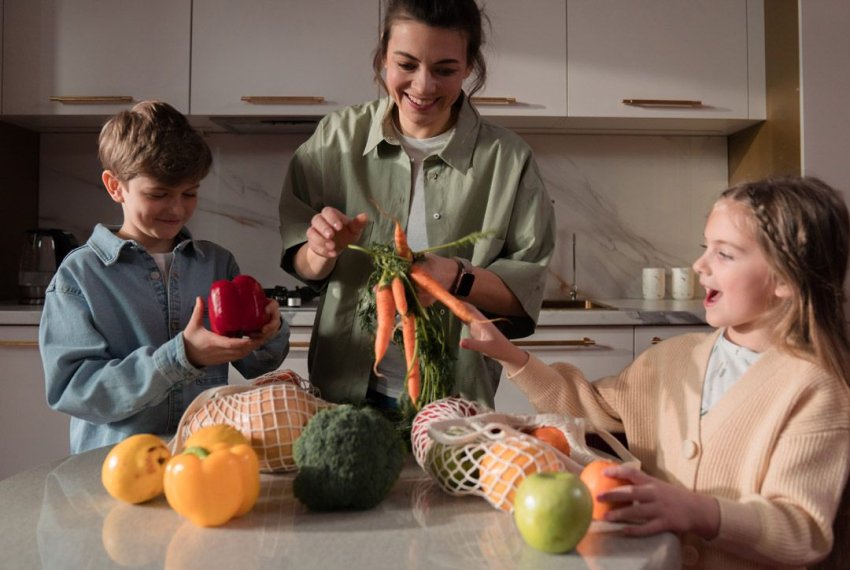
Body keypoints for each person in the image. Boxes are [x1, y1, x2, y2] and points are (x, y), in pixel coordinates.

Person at [461, 176, 850, 568]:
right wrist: (511, 355)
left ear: (784, 279)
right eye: (705, 248)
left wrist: (699, 511)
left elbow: (803, 530)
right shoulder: (673, 359)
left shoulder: (816, 389)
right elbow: (589, 406)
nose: (699, 265)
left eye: (725, 254)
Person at [278, 0, 555, 408]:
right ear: (382, 61)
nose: (423, 86)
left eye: (444, 70)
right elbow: (302, 263)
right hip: (342, 389)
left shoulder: (508, 160)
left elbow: (524, 293)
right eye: (406, 65)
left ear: (469, 68)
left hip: (456, 396)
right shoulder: (335, 138)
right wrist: (319, 250)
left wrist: (456, 277)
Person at [40, 100, 289, 454]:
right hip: (117, 466)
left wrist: (268, 333)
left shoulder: (217, 263)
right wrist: (182, 355)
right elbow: (75, 391)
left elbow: (256, 365)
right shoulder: (79, 276)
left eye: (190, 193)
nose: (177, 209)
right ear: (115, 187)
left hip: (204, 457)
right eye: (159, 194)